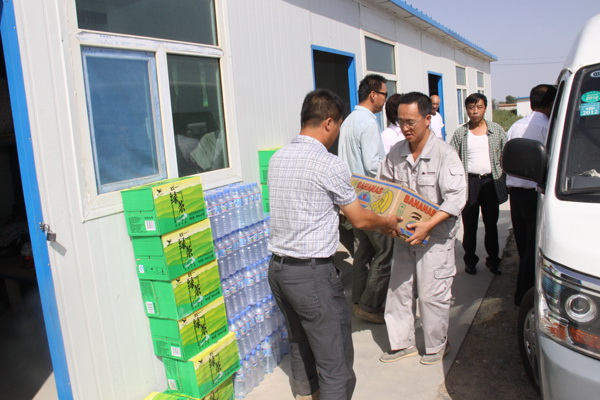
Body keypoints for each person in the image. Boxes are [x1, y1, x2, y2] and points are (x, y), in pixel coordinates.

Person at [267, 89, 401, 400]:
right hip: (312, 275)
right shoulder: (329, 164)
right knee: (335, 359)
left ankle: (305, 395)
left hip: (279, 270)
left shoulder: (277, 158)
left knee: (300, 343)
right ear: (329, 122)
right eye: (338, 125)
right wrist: (388, 221)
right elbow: (360, 219)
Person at [378, 92, 466, 365]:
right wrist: (387, 221)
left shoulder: (445, 154)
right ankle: (401, 344)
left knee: (432, 295)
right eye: (400, 121)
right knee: (399, 292)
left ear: (428, 119)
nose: (405, 128)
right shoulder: (396, 152)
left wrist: (428, 225)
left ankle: (437, 345)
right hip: (404, 237)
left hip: (435, 238)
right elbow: (385, 188)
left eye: (411, 122)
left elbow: (456, 198)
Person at [338, 74, 394, 324]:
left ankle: (358, 301)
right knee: (386, 251)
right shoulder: (369, 123)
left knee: (362, 254)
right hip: (371, 200)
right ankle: (370, 306)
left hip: (353, 199)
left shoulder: (349, 120)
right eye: (384, 94)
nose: (385, 100)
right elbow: (373, 166)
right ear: (373, 95)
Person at [506, 84, 557, 306]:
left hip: (515, 194)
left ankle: (523, 289)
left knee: (522, 244)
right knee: (532, 247)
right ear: (551, 104)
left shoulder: (515, 126)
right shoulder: (549, 128)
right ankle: (525, 296)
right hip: (535, 195)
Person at [450, 93, 507, 275]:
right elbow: (451, 159)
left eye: (479, 107)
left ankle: (493, 260)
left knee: (491, 224)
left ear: (485, 108)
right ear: (466, 110)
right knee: (470, 224)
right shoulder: (461, 133)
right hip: (470, 183)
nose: (475, 111)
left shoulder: (496, 130)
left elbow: (505, 154)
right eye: (471, 107)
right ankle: (470, 260)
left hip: (490, 183)